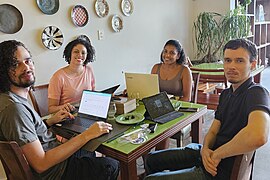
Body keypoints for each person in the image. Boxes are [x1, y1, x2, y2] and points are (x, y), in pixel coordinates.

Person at [144, 38, 270, 180]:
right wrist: (205, 149)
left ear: (253, 64)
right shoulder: (226, 94)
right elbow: (214, 129)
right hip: (207, 154)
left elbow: (259, 135)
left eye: (239, 61)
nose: (231, 66)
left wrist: (217, 154)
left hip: (218, 170)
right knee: (151, 159)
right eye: (228, 60)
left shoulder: (257, 92)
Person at [0, 40, 119, 180]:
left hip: (53, 155)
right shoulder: (14, 109)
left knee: (88, 150)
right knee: (112, 164)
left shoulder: (11, 99)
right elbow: (41, 163)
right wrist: (87, 134)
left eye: (28, 61)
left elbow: (28, 134)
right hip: (56, 172)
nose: (26, 67)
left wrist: (50, 121)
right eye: (15, 64)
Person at [151, 40, 193, 149]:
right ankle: (146, 158)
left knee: (163, 127)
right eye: (165, 51)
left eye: (172, 53)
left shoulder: (184, 70)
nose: (167, 55)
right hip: (159, 108)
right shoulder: (156, 68)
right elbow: (151, 91)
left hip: (177, 109)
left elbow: (187, 98)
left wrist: (170, 106)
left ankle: (158, 158)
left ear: (178, 55)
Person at [48, 38, 95, 114]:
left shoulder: (89, 70)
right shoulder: (58, 77)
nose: (80, 55)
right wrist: (65, 107)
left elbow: (92, 95)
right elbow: (51, 109)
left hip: (86, 113)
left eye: (83, 53)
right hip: (67, 116)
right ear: (70, 53)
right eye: (76, 52)